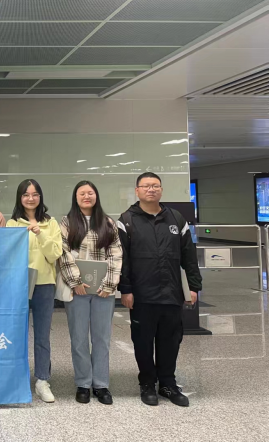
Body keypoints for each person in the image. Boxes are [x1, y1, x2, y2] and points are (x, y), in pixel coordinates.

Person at [118, 172, 202, 407]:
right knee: (142, 342)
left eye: (155, 185)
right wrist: (125, 289)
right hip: (141, 295)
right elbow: (122, 259)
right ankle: (147, 383)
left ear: (161, 190)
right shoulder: (126, 220)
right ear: (137, 191)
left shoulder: (176, 219)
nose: (151, 189)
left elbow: (189, 255)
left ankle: (167, 383)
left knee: (170, 340)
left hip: (171, 293)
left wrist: (193, 286)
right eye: (146, 186)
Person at [58, 181, 122, 405]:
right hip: (77, 290)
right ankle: (83, 383)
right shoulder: (67, 222)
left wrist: (109, 284)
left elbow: (116, 254)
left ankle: (101, 384)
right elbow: (63, 253)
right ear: (75, 198)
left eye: (90, 193)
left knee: (102, 338)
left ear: (96, 196)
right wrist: (75, 281)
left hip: (103, 291)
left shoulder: (108, 222)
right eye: (82, 193)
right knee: (78, 338)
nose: (86, 196)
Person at [6, 179, 62, 403]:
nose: (31, 198)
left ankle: (42, 380)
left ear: (40, 197)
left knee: (42, 335)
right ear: (20, 198)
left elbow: (55, 254)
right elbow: (7, 256)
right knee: (16, 333)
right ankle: (16, 377)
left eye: (35, 194)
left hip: (44, 284)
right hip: (19, 285)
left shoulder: (51, 223)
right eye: (26, 194)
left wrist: (40, 233)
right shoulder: (12, 224)